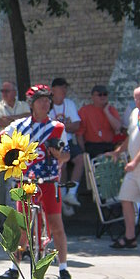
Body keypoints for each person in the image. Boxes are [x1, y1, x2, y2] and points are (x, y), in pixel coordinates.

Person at [0, 84, 73, 279]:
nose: (45, 103)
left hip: (49, 182)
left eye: (48, 100)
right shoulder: (18, 126)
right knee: (21, 227)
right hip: (25, 183)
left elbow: (66, 155)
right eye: (41, 100)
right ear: (32, 104)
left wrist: (58, 155)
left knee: (56, 224)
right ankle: (14, 267)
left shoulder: (57, 128)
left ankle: (63, 267)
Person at [109, 85, 140, 249]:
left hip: (138, 166)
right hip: (133, 169)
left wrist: (135, 161)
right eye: (136, 98)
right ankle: (130, 237)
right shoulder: (135, 113)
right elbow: (131, 136)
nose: (139, 101)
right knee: (126, 198)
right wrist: (118, 151)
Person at [49, 77, 84, 211]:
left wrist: (60, 126)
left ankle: (71, 194)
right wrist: (65, 125)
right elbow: (49, 128)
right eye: (61, 87)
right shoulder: (48, 105)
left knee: (80, 159)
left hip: (68, 140)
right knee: (61, 165)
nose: (64, 90)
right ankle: (62, 198)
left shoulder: (69, 103)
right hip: (54, 142)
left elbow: (76, 125)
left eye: (65, 87)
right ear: (53, 90)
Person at [77, 84, 123, 158]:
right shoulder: (84, 111)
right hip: (92, 146)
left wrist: (107, 112)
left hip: (109, 146)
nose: (103, 97)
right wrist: (83, 152)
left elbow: (117, 128)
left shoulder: (111, 110)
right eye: (99, 95)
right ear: (92, 97)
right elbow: (79, 134)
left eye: (105, 94)